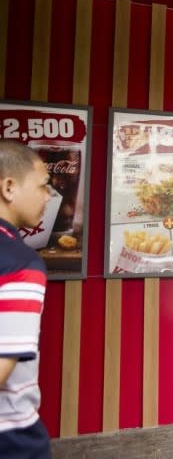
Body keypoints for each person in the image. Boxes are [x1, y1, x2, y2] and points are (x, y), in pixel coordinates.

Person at [0, 140, 53, 459]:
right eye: (44, 186)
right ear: (9, 187)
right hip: (12, 440)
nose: (48, 196)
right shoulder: (20, 263)